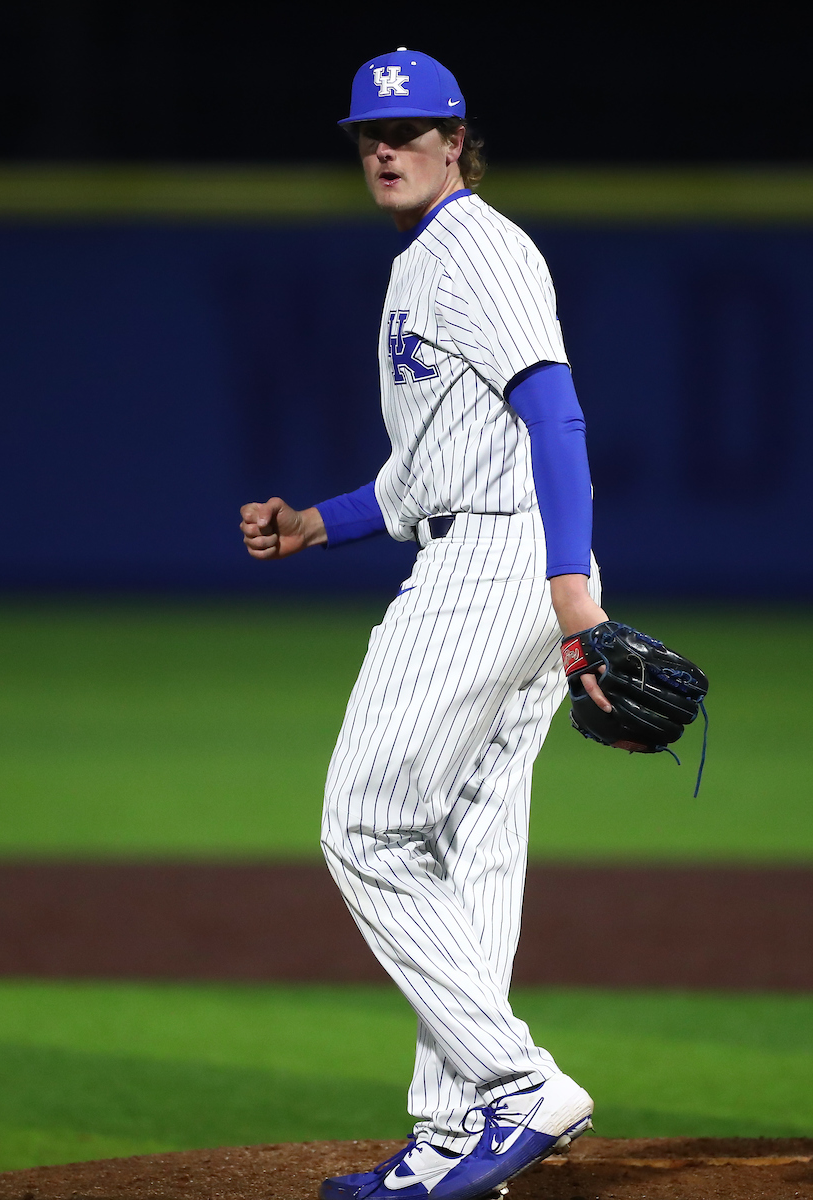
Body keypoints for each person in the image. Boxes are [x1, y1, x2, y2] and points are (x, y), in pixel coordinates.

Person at [239, 48, 612, 1200]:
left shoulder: (479, 248)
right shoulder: (425, 263)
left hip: (501, 566)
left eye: (411, 130)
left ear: (459, 138)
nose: (386, 149)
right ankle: (459, 1131)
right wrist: (315, 524)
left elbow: (556, 417)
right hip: (493, 551)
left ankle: (516, 1083)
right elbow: (420, 478)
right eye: (368, 135)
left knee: (362, 824)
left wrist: (570, 593)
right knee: (468, 850)